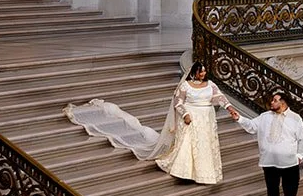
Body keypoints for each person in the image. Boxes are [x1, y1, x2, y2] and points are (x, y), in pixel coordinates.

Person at [63, 62, 231, 185]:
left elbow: (219, 97)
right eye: (200, 72)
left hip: (206, 119)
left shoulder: (210, 85)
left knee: (204, 145)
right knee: (189, 144)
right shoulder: (185, 86)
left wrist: (230, 108)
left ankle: (204, 173)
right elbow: (178, 103)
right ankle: (184, 171)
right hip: (190, 118)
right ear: (194, 72)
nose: (203, 74)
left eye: (204, 71)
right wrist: (185, 114)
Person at [228, 89, 303, 196]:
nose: (271, 102)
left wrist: (299, 156)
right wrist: (239, 118)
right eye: (272, 100)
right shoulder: (265, 116)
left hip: (290, 162)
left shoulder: (295, 118)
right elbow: (252, 126)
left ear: (283, 103)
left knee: (291, 189)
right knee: (272, 189)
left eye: (275, 100)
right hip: (269, 160)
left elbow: (301, 139)